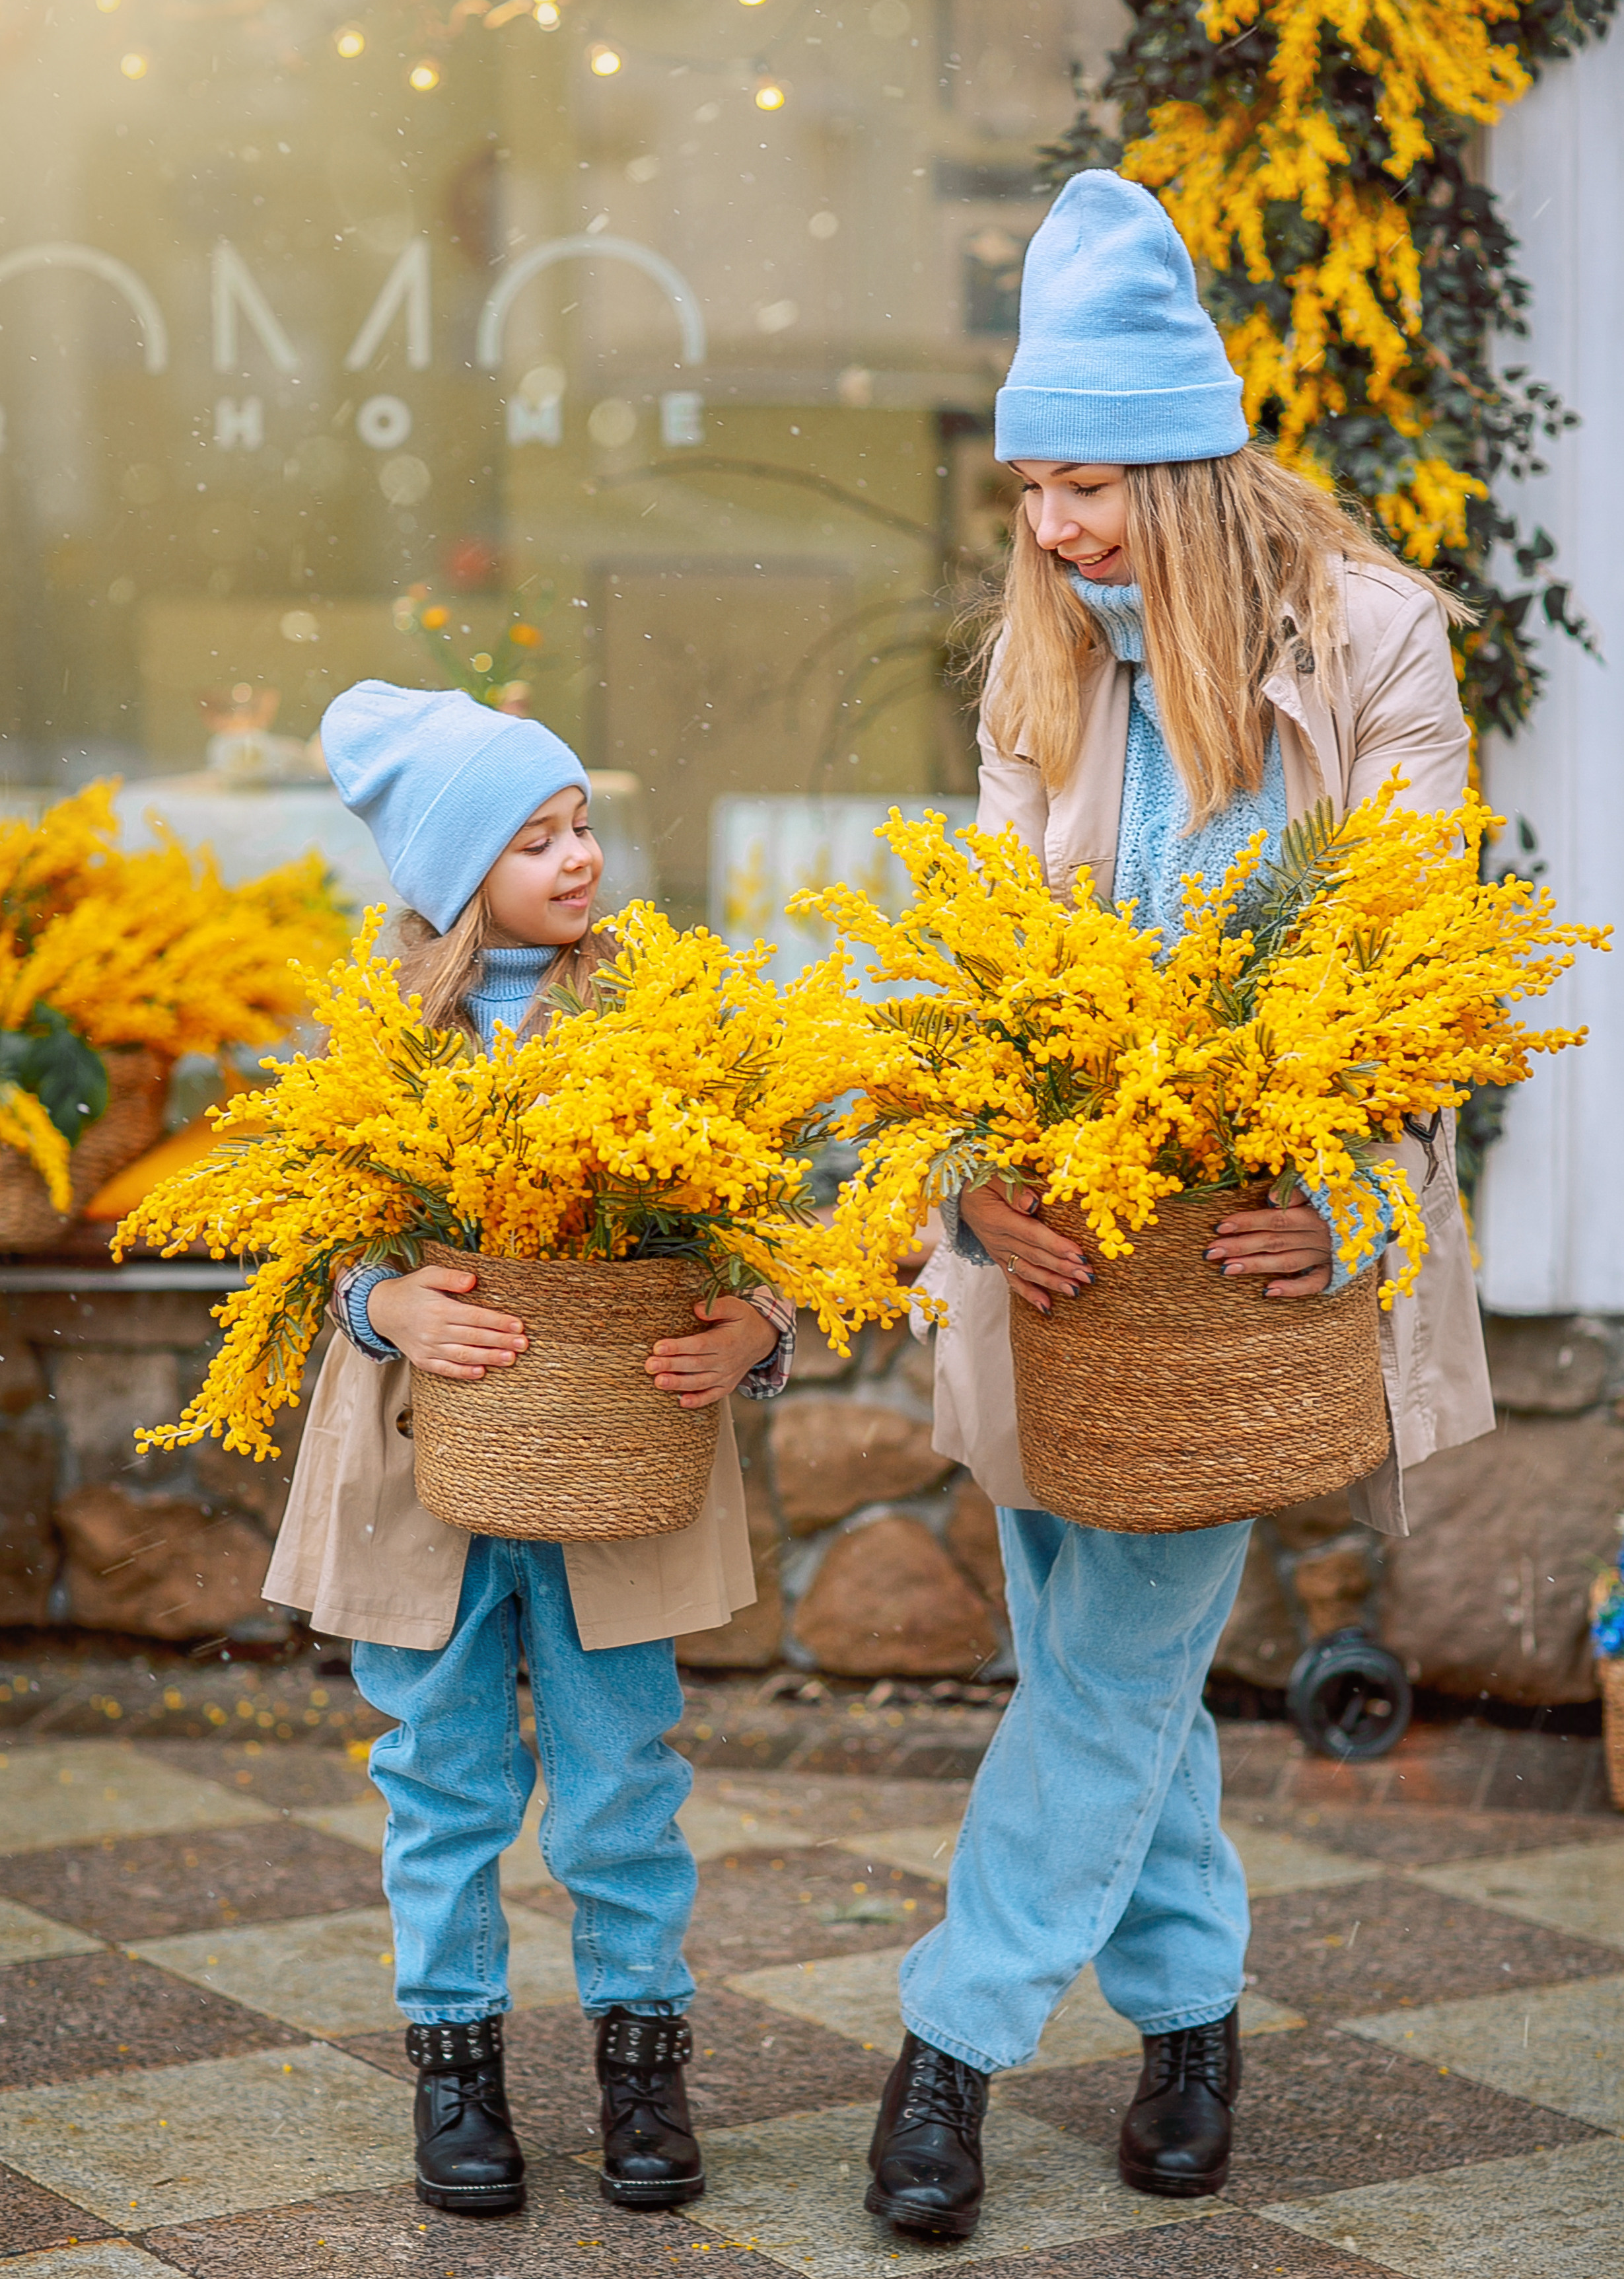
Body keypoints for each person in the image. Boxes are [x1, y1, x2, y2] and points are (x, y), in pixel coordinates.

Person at [862, 172, 1495, 2241]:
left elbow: (1418, 973)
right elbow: (978, 952)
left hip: (1230, 1262)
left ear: (1191, 458)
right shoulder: (1037, 662)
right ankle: (1190, 2014)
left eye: (1091, 481)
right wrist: (974, 1185)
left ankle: (947, 2046)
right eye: (1031, 486)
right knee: (1092, 1652)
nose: (1055, 528)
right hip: (1063, 1252)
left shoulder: (1377, 642)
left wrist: (1356, 1209)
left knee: (1115, 1655)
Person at [264, 682, 793, 2220]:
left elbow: (774, 1204)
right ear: (449, 873)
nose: (578, 858)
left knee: (622, 1771)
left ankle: (643, 2063)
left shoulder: (659, 1012)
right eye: (534, 836)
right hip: (423, 1464)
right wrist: (385, 1303)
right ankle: (458, 2069)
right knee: (439, 1773)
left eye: (582, 827)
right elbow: (304, 1241)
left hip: (615, 1454)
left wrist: (756, 1327)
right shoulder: (371, 1033)